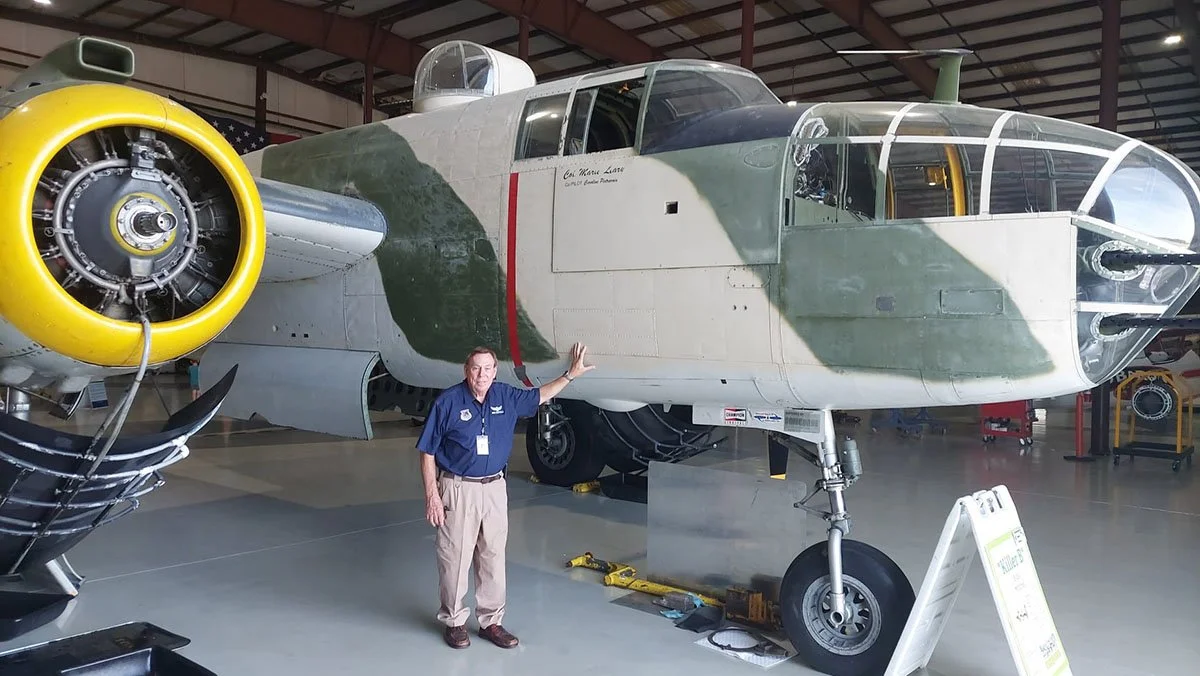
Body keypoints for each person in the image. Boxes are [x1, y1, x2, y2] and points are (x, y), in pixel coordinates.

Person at [416, 342, 595, 649]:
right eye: (475, 368)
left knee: (493, 556)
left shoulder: (506, 396)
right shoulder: (448, 402)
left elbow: (539, 395)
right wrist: (432, 495)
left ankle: (491, 622)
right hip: (458, 487)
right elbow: (427, 451)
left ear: (495, 371)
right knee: (454, 558)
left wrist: (570, 375)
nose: (481, 374)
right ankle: (455, 622)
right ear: (466, 370)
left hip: (495, 488)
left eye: (487, 368)